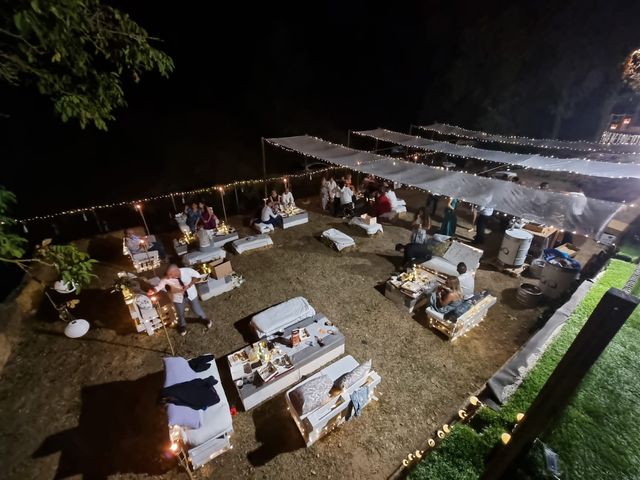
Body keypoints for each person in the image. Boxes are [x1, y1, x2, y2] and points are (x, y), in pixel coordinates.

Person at [148, 264, 211, 335]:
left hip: (191, 294)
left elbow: (197, 276)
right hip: (177, 298)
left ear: (176, 271)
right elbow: (160, 285)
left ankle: (204, 319)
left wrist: (189, 285)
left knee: (196, 309)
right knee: (180, 313)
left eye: (171, 274)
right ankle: (182, 325)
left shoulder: (187, 271)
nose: (169, 277)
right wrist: (154, 290)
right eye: (168, 275)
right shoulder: (167, 277)